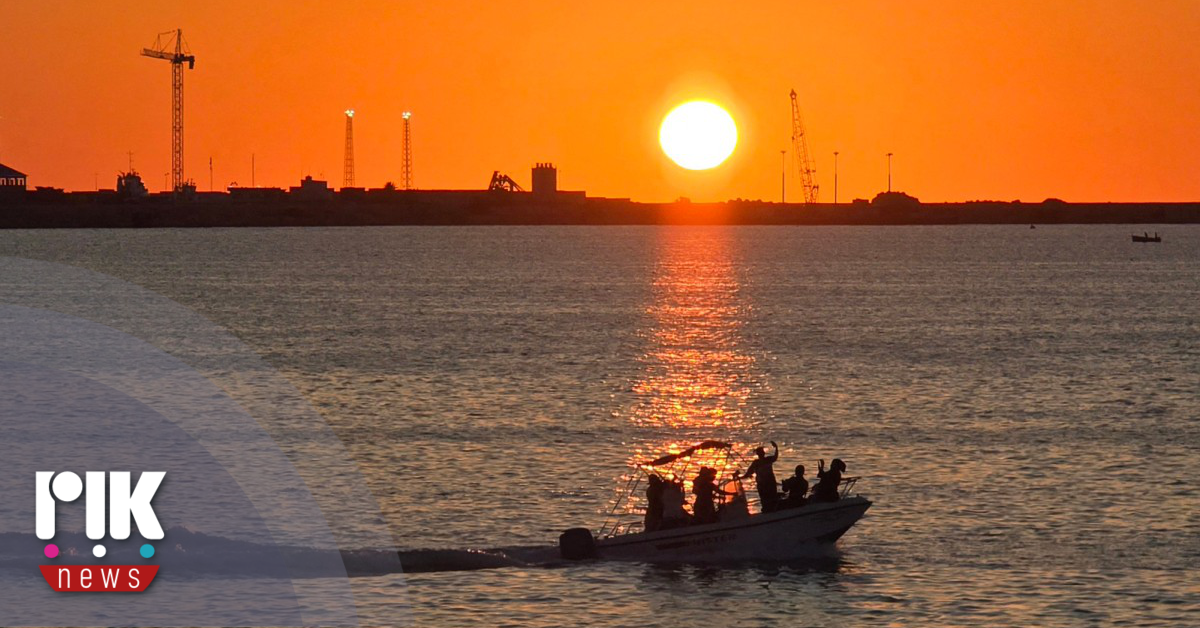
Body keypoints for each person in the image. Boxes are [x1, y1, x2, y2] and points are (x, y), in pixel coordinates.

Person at [738, 441, 780, 512]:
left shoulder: (768, 459)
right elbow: (748, 473)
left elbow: (775, 457)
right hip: (762, 485)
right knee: (765, 500)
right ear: (758, 454)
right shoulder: (756, 463)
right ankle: (767, 511)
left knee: (772, 498)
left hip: (770, 483)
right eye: (761, 452)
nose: (762, 453)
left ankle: (771, 511)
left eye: (762, 452)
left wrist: (776, 448)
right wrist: (740, 478)